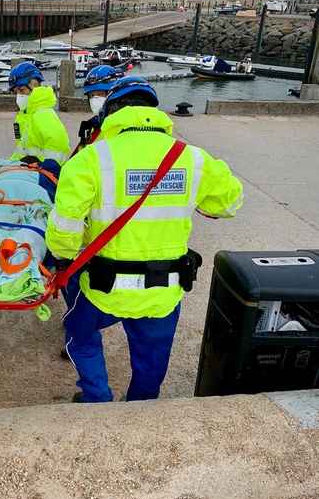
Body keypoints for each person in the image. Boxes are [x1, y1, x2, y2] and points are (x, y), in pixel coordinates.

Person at [46, 76, 243, 404]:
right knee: (152, 361)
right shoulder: (193, 158)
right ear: (153, 111)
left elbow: (64, 231)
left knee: (79, 335)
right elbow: (229, 203)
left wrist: (63, 259)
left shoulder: (90, 159)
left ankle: (96, 396)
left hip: (103, 289)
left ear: (109, 114)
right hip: (162, 292)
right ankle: (140, 406)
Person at [8, 61, 70, 165]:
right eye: (16, 92)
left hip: (42, 175)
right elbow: (21, 151)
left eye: (21, 90)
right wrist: (8, 165)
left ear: (35, 85)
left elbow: (59, 151)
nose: (19, 96)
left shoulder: (44, 115)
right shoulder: (25, 116)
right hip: (28, 173)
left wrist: (43, 167)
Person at [73, 65, 119, 155]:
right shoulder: (92, 126)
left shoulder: (122, 127)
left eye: (100, 94)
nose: (95, 99)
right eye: (91, 96)